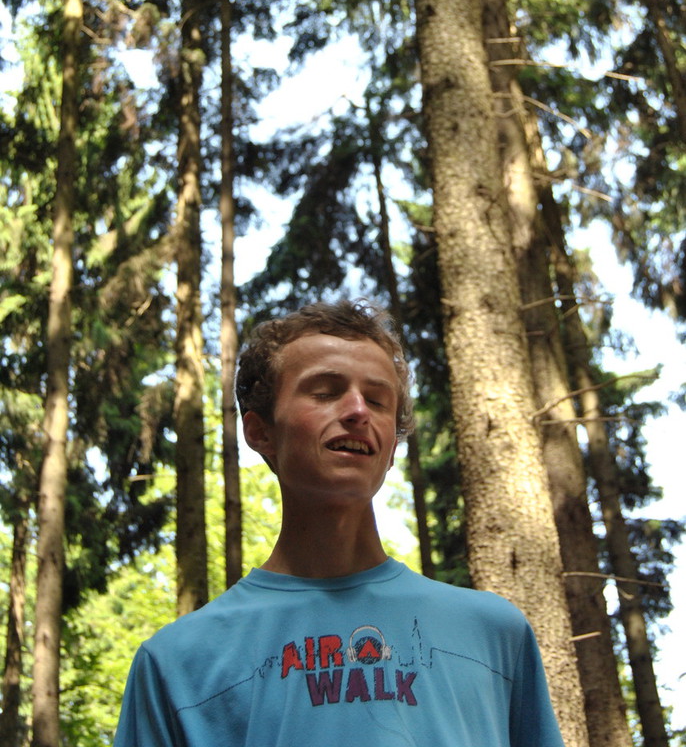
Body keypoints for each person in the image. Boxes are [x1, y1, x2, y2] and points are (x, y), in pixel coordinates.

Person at [114, 299, 564, 746]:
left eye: (377, 400)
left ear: (393, 445)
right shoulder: (177, 663)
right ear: (260, 432)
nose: (358, 411)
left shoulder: (494, 634)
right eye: (326, 392)